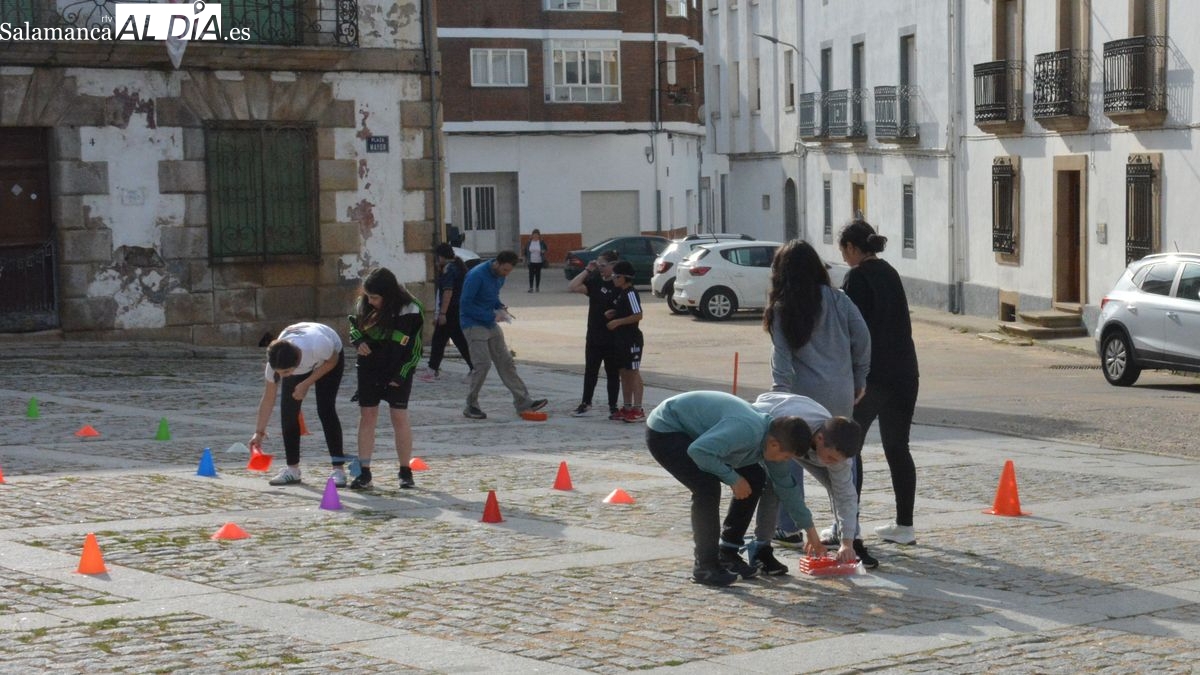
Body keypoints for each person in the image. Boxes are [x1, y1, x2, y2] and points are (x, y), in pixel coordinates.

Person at [761, 239, 874, 566]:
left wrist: (779, 397)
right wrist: (860, 376)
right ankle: (847, 530)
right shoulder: (839, 300)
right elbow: (862, 338)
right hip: (841, 391)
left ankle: (787, 525)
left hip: (800, 397)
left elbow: (781, 359)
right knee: (839, 464)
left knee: (790, 457)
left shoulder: (783, 308)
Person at [645, 390, 830, 587]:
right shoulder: (747, 431)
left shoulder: (773, 440)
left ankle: (728, 551)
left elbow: (787, 488)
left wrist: (810, 532)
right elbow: (698, 451)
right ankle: (705, 566)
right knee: (706, 487)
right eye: (786, 457)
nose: (785, 462)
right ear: (774, 444)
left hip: (700, 434)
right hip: (667, 428)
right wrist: (732, 478)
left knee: (755, 477)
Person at [840, 220, 920, 546]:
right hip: (905, 371)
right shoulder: (890, 271)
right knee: (898, 447)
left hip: (873, 376)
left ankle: (849, 523)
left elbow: (853, 329)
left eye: (844, 250)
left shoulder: (856, 277)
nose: (844, 256)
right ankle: (905, 525)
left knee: (848, 445)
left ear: (853, 248)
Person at [736, 392, 864, 575]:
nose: (833, 463)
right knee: (772, 485)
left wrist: (847, 543)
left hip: (808, 444)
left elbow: (845, 495)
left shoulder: (837, 453)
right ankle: (760, 548)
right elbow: (786, 489)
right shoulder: (789, 428)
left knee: (841, 487)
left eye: (838, 460)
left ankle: (849, 540)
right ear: (820, 439)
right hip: (770, 422)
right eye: (831, 458)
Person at [346, 268, 423, 490]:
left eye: (375, 298)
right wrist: (358, 340)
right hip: (369, 368)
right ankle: (364, 472)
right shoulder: (365, 303)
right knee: (367, 415)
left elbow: (415, 348)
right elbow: (353, 324)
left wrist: (402, 374)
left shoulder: (411, 308)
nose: (370, 301)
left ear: (388, 295)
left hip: (399, 368)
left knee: (399, 416)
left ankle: (405, 472)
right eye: (368, 296)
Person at [249, 322, 347, 487]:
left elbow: (332, 361)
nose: (284, 377)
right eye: (280, 373)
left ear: (297, 362)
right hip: (301, 357)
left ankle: (338, 469)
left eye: (286, 372)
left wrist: (306, 383)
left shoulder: (318, 344)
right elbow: (268, 398)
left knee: (325, 408)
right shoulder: (276, 363)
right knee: (288, 413)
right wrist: (258, 432)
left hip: (329, 358)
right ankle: (292, 469)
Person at [459, 250, 548, 419]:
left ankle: (523, 402)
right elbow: (465, 305)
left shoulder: (500, 275)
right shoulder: (476, 276)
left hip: (490, 322)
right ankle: (471, 404)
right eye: (505, 270)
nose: (506, 274)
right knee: (483, 364)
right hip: (473, 324)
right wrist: (491, 315)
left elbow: (493, 296)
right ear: (497, 263)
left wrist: (500, 307)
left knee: (505, 361)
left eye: (509, 271)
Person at [566, 250, 621, 418]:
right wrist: (588, 270)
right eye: (598, 265)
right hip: (594, 335)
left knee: (613, 373)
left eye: (603, 266)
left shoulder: (619, 285)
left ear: (613, 266)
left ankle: (613, 406)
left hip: (613, 337)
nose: (601, 269)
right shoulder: (595, 282)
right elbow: (573, 286)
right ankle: (586, 403)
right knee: (591, 371)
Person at [422, 243, 474, 382]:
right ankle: (433, 369)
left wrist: (442, 313)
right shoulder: (457, 267)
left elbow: (447, 292)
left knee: (446, 340)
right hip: (457, 309)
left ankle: (433, 370)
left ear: (440, 256)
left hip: (450, 311)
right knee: (449, 340)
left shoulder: (448, 270)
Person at [606, 260, 646, 422]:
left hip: (632, 339)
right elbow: (626, 311)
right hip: (621, 339)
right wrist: (614, 312)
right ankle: (627, 406)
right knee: (624, 372)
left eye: (616, 276)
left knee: (633, 372)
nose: (614, 279)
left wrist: (618, 321)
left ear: (624, 277)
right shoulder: (621, 293)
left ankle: (638, 409)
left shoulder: (630, 293)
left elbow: (638, 315)